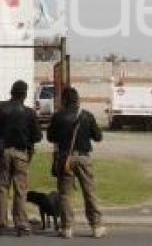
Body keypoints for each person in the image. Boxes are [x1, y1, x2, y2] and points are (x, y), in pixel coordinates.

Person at [0, 80, 42, 236]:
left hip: (2, 153)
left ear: (11, 92)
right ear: (25, 94)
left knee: (2, 188)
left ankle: (0, 223)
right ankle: (21, 224)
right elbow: (37, 136)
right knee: (20, 190)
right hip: (21, 153)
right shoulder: (29, 112)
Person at [47, 87, 106, 240]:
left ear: (64, 100)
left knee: (65, 195)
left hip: (65, 159)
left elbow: (50, 137)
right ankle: (96, 226)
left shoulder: (58, 116)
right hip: (83, 158)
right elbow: (98, 137)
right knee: (89, 192)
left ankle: (67, 228)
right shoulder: (87, 116)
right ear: (78, 100)